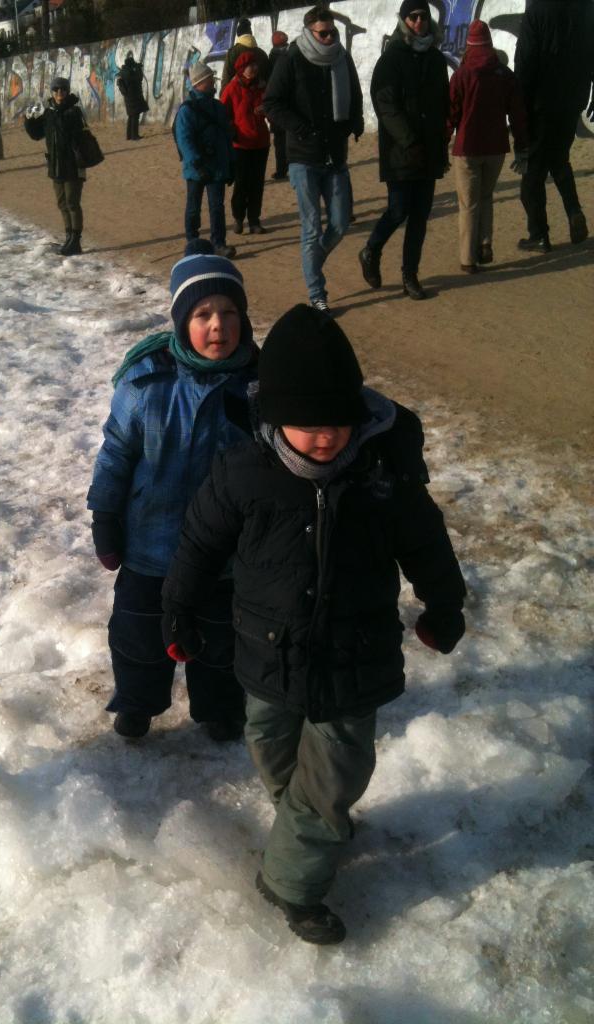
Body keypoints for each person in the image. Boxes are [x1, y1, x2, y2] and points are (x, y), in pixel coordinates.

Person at [162, 303, 466, 944]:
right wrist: (179, 609)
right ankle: (311, 823)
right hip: (267, 651)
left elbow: (427, 544)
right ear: (275, 417)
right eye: (307, 424)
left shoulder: (383, 476)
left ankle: (291, 884)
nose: (326, 436)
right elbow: (198, 546)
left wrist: (444, 604)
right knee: (271, 747)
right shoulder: (244, 473)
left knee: (335, 773)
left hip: (355, 656)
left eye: (337, 421)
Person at [87, 241, 259, 741]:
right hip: (152, 544)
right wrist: (105, 516)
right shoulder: (147, 381)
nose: (218, 326)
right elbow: (116, 454)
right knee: (138, 634)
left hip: (225, 553)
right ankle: (137, 703)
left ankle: (220, 709)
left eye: (229, 313)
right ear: (182, 321)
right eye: (203, 314)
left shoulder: (258, 386)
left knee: (221, 637)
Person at [263, 6, 364, 314]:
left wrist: (355, 121)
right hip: (303, 157)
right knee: (311, 229)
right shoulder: (291, 59)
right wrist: (300, 128)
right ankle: (317, 294)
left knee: (340, 222)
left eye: (333, 32)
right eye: (324, 33)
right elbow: (271, 103)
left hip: (335, 153)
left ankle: (312, 262)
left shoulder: (341, 57)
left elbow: (355, 93)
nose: (330, 37)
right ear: (309, 32)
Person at [358, 1, 449, 301]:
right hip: (401, 150)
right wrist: (408, 140)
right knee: (398, 210)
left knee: (420, 216)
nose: (419, 21)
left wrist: (441, 143)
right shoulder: (392, 57)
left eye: (424, 16)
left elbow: (442, 103)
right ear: (404, 20)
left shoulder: (436, 59)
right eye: (413, 17)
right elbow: (384, 103)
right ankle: (371, 250)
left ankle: (410, 276)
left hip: (430, 149)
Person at [448, 20, 528, 272]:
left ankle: (468, 259)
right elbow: (518, 115)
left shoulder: (462, 75)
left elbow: (450, 114)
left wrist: (441, 143)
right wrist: (522, 146)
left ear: (469, 44)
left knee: (468, 204)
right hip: (496, 148)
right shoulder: (504, 74)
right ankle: (485, 244)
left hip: (467, 148)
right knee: (485, 197)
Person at [514, 0, 594, 251]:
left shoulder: (537, 9)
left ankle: (539, 234)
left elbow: (526, 60)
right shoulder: (585, 7)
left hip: (541, 102)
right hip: (572, 100)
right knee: (559, 159)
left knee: (532, 171)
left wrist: (519, 104)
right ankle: (574, 211)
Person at [175, 61, 237, 259]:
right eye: (209, 80)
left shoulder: (218, 107)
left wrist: (231, 163)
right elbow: (184, 140)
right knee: (194, 207)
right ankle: (192, 242)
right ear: (199, 83)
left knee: (217, 207)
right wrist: (197, 164)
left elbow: (226, 136)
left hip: (217, 166)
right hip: (197, 168)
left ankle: (218, 243)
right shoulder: (187, 110)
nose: (213, 83)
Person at [24, 76, 88, 256]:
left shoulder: (74, 111)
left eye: (63, 89)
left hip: (73, 165)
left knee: (72, 203)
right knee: (62, 203)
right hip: (55, 165)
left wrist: (55, 113)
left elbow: (72, 133)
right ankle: (68, 236)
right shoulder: (49, 112)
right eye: (56, 89)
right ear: (52, 92)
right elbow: (37, 134)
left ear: (67, 91)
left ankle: (76, 240)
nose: (59, 92)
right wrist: (29, 120)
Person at [221, 51, 271, 234]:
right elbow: (223, 115)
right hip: (240, 144)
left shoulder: (262, 87)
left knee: (257, 184)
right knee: (241, 183)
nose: (254, 68)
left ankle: (254, 219)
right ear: (242, 69)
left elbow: (273, 107)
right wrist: (232, 130)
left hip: (261, 143)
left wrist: (266, 109)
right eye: (251, 66)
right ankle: (238, 218)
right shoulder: (231, 89)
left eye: (255, 65)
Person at [220, 17, 270, 92]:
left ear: (238, 35)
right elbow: (267, 78)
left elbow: (227, 77)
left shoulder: (233, 52)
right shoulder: (262, 53)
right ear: (250, 34)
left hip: (238, 95)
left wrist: (223, 94)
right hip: (259, 95)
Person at [267, 30, 290, 179]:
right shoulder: (291, 55)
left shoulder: (271, 58)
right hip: (288, 104)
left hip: (277, 105)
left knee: (280, 140)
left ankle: (281, 170)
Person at [116, 51, 148, 141]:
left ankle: (129, 135)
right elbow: (139, 78)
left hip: (128, 97)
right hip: (133, 97)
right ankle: (134, 136)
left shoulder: (123, 71)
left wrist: (136, 68)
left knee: (131, 116)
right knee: (135, 116)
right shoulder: (129, 73)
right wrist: (138, 69)